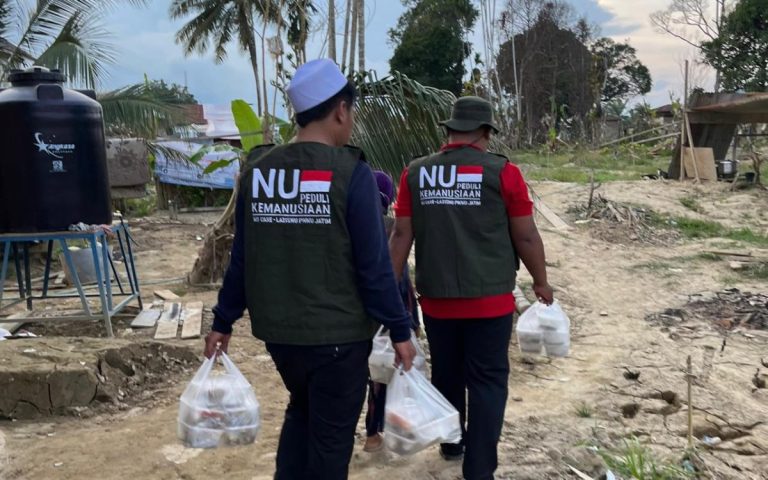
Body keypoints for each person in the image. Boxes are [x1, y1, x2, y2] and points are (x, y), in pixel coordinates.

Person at [204, 59, 417, 480]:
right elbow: (374, 268)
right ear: (341, 110)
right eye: (351, 112)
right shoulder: (351, 175)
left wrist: (223, 321)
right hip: (338, 339)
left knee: (302, 410)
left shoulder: (259, 172)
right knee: (331, 442)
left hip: (282, 338)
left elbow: (242, 258)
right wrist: (400, 329)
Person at [389, 96, 554, 480]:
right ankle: (479, 467)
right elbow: (526, 235)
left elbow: (400, 235)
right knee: (488, 380)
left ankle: (452, 441)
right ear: (485, 132)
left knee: (447, 373)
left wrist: (387, 295)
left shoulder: (415, 173)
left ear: (449, 131)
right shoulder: (503, 173)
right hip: (490, 302)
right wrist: (541, 282)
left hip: (438, 302)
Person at [363, 171, 421, 453]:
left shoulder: (353, 222)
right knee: (383, 376)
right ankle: (377, 434)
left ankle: (372, 435)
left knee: (367, 374)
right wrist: (410, 321)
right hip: (388, 313)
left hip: (357, 315)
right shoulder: (391, 227)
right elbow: (400, 281)